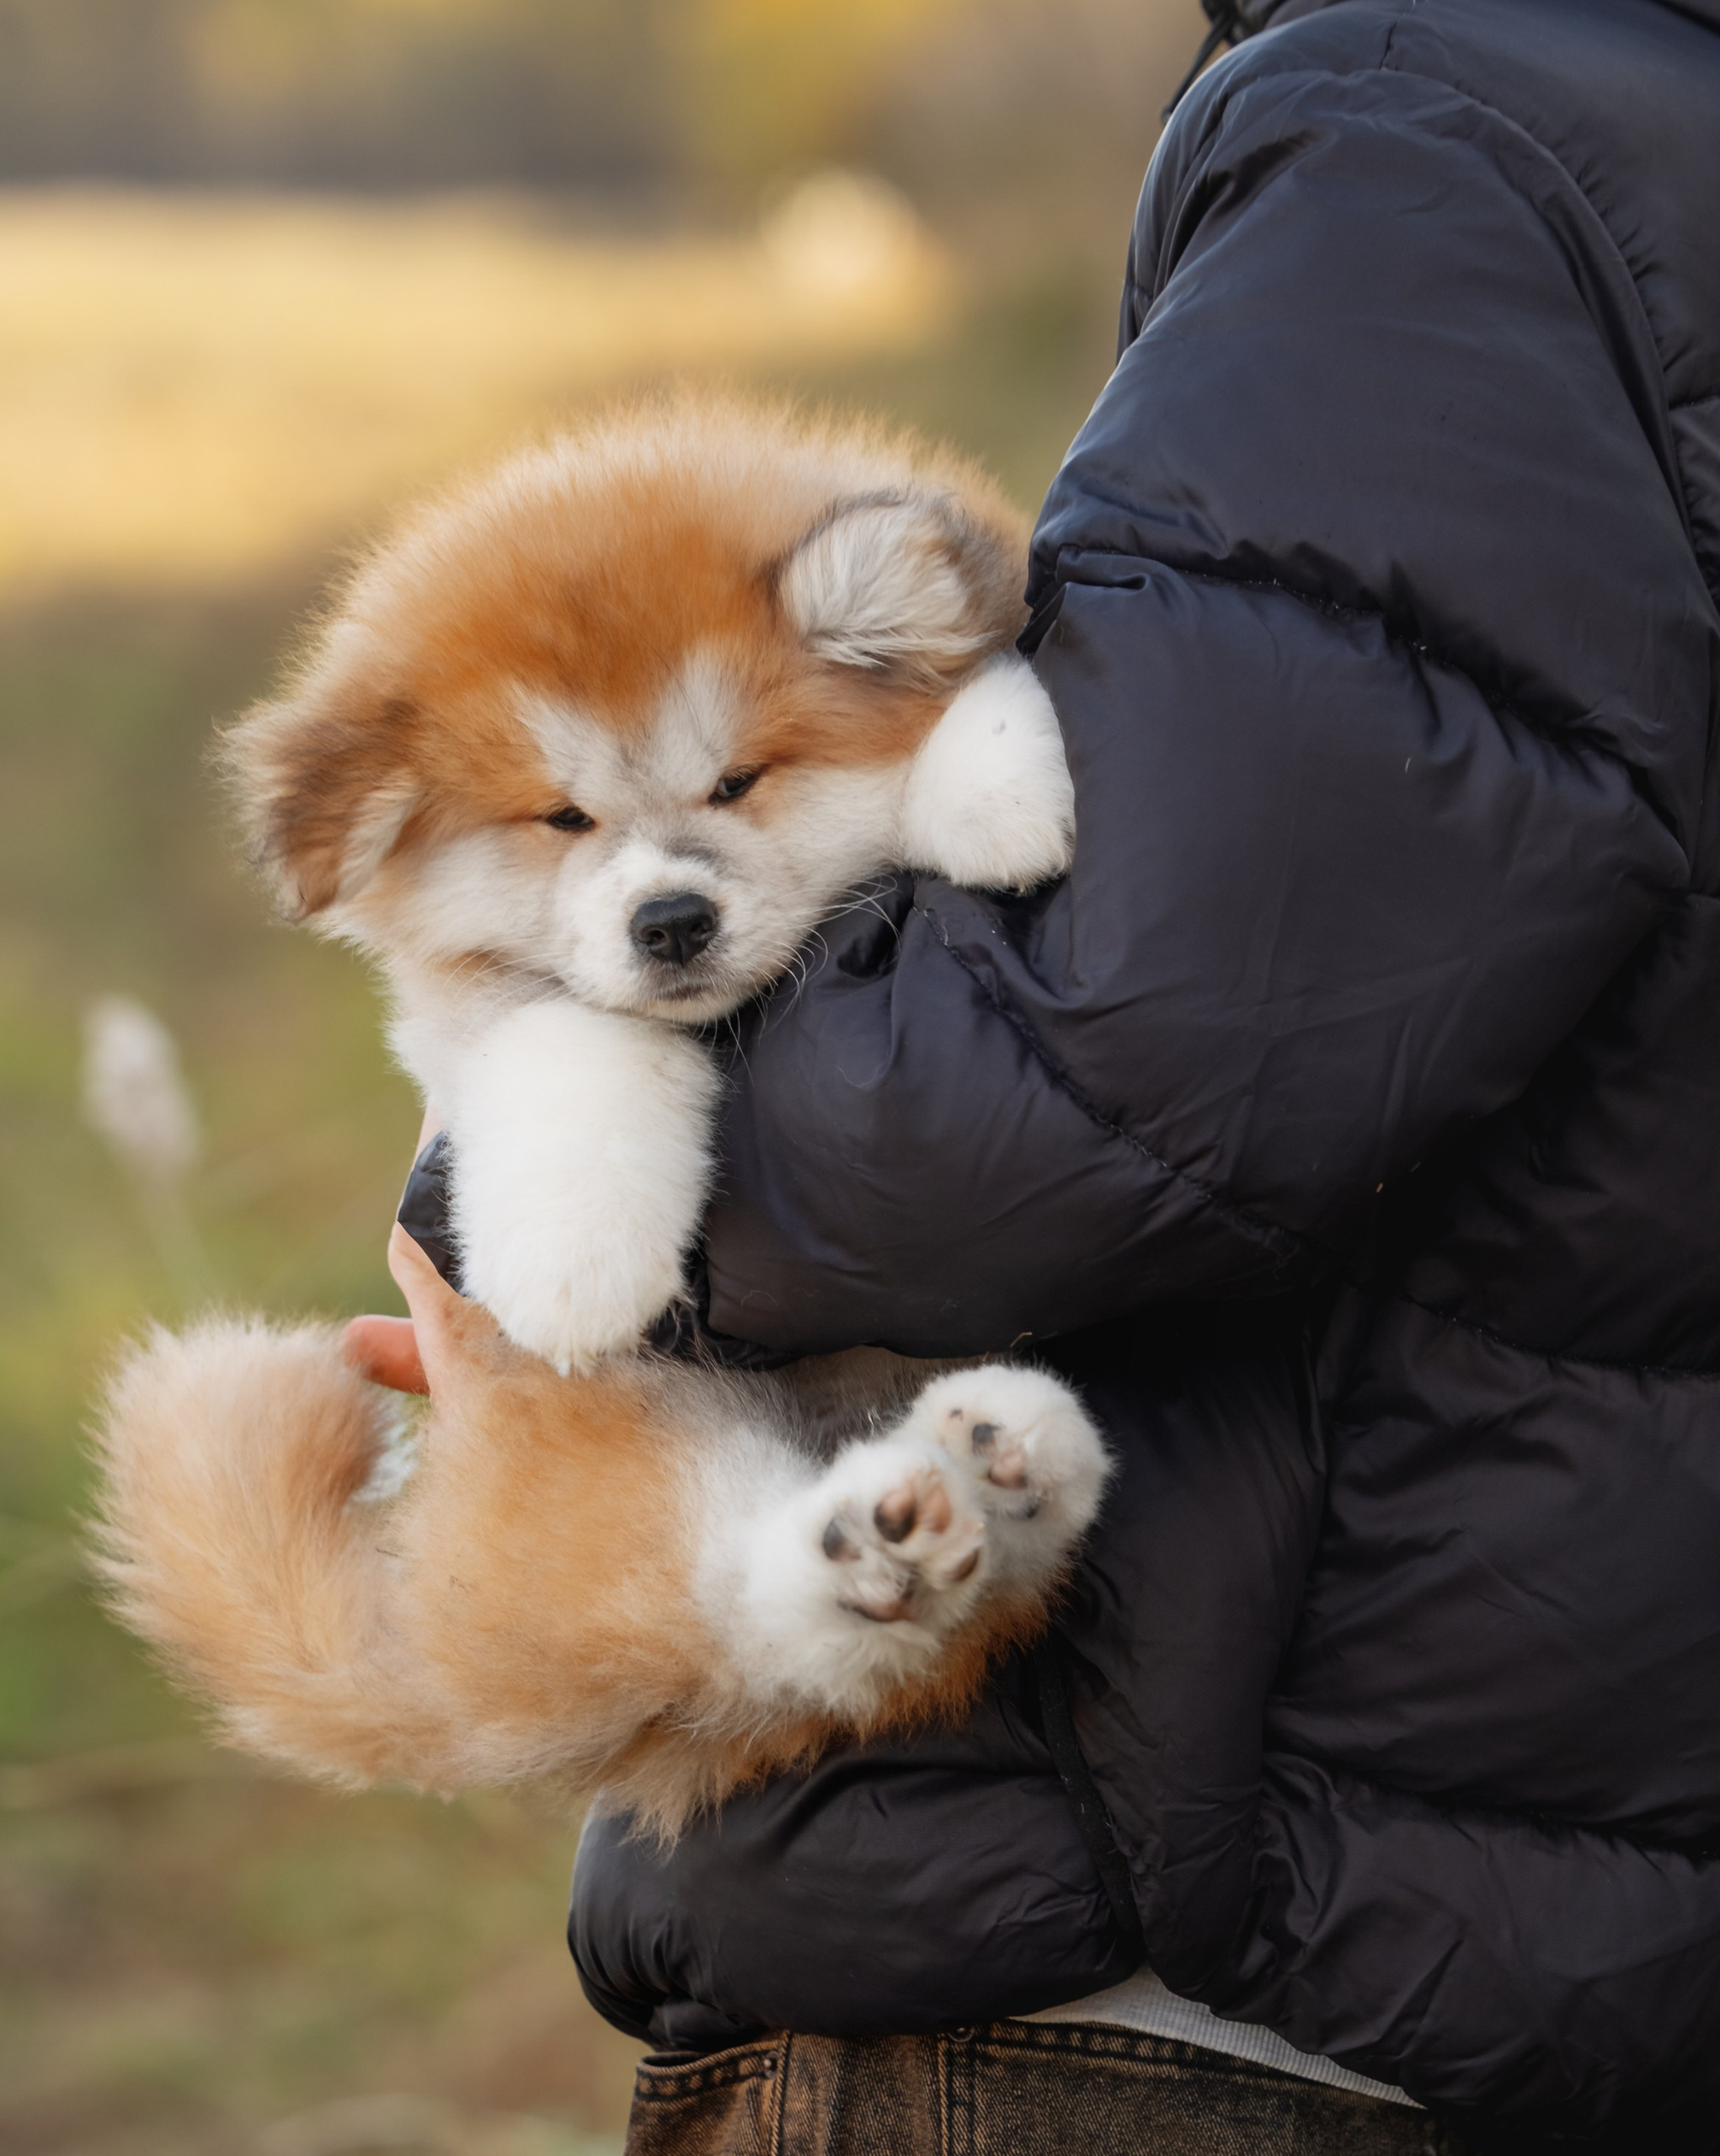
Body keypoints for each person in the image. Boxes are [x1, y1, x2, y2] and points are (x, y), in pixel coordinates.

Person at [357, 0, 1720, 2143]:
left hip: (1172, 1950)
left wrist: (501, 1169)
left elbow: (1110, 1063)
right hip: (1563, 1920)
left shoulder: (1434, 138)